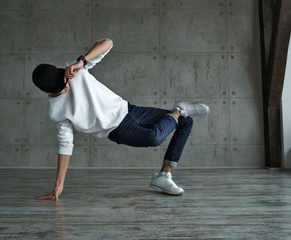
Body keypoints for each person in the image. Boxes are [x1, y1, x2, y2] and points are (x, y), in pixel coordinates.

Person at [33, 38, 210, 201]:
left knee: (186, 123)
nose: (67, 86)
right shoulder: (57, 112)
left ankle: (164, 175)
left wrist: (82, 61)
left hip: (128, 109)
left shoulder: (74, 70)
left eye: (65, 81)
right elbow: (66, 145)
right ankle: (178, 109)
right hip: (116, 129)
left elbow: (107, 42)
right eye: (62, 88)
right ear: (46, 92)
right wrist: (58, 185)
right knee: (154, 138)